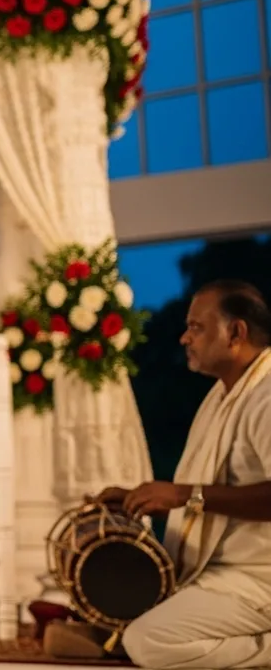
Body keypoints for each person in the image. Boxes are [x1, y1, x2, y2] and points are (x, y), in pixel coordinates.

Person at [91, 280, 271, 669]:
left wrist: (185, 495)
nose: (184, 338)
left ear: (236, 333)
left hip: (259, 577)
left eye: (196, 327)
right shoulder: (225, 393)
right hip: (222, 573)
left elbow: (200, 494)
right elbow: (211, 493)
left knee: (147, 640)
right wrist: (148, 499)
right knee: (123, 619)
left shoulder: (267, 395)